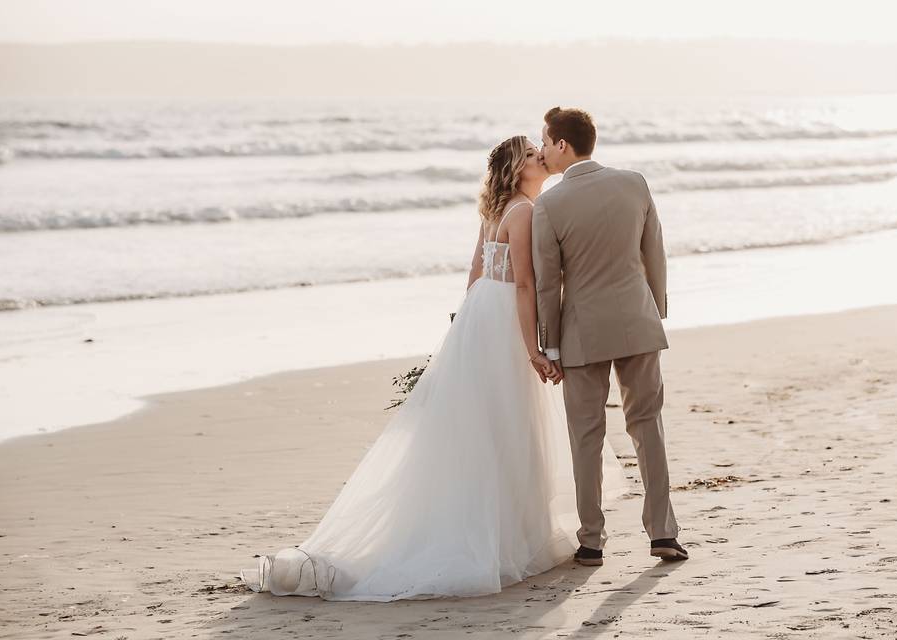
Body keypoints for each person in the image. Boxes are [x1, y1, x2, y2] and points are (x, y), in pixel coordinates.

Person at [240, 135, 627, 601]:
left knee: (481, 426)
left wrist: (462, 329)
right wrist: (534, 350)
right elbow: (524, 285)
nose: (539, 157)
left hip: (482, 317)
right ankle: (506, 534)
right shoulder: (524, 212)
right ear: (514, 169)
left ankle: (505, 527)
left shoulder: (495, 209)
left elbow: (475, 274)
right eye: (529, 154)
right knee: (507, 425)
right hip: (506, 320)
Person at [533, 107, 687, 566]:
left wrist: (550, 344)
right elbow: (653, 251)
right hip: (638, 323)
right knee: (648, 427)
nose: (542, 149)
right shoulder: (634, 183)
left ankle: (592, 540)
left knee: (586, 435)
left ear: (562, 144)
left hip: (581, 333)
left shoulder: (550, 205)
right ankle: (663, 534)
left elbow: (548, 282)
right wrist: (653, 310)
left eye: (545, 140)